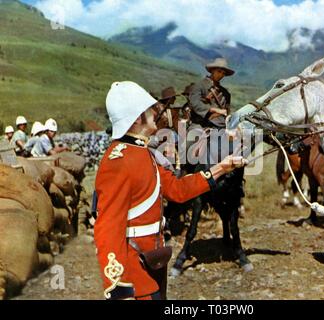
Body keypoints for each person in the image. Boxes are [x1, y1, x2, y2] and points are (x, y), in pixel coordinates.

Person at [94, 81, 247, 300]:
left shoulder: (141, 151)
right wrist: (119, 289)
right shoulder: (118, 161)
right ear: (137, 118)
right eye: (150, 110)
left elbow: (177, 189)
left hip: (153, 261)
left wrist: (221, 168)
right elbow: (107, 229)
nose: (156, 113)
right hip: (134, 276)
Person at [189, 58, 234, 130]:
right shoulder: (199, 85)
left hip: (220, 125)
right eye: (219, 71)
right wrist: (213, 109)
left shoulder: (226, 93)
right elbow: (195, 104)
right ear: (212, 70)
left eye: (223, 73)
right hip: (200, 125)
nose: (221, 75)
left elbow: (227, 110)